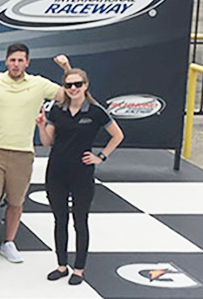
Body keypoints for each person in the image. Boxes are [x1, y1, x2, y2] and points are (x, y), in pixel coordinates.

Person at [0, 43, 72, 266]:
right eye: (12, 60)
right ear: (7, 61)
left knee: (16, 201)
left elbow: (68, 94)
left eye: (20, 60)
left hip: (23, 152)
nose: (16, 64)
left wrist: (66, 67)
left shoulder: (38, 83)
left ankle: (9, 242)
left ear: (27, 62)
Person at [36, 68, 124, 286]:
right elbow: (47, 142)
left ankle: (79, 268)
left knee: (80, 220)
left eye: (77, 84)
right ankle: (61, 265)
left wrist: (101, 157)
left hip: (82, 173)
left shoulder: (95, 111)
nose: (73, 89)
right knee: (59, 219)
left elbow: (118, 135)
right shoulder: (57, 110)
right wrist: (40, 125)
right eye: (68, 85)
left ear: (86, 85)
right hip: (56, 171)